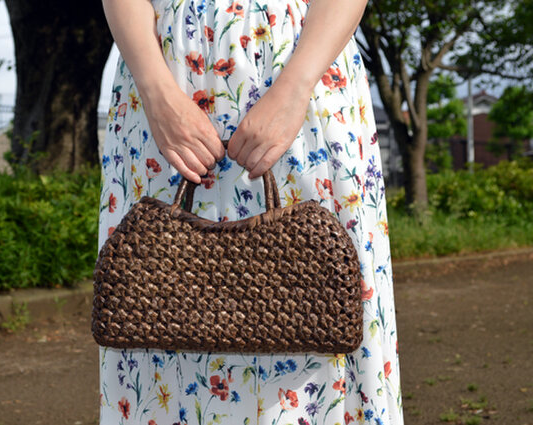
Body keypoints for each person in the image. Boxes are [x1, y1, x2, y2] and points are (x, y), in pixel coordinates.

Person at [97, 0, 405, 424]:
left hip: (303, 70)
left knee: (322, 313)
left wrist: (295, 87)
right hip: (163, 77)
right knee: (151, 314)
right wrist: (155, 90)